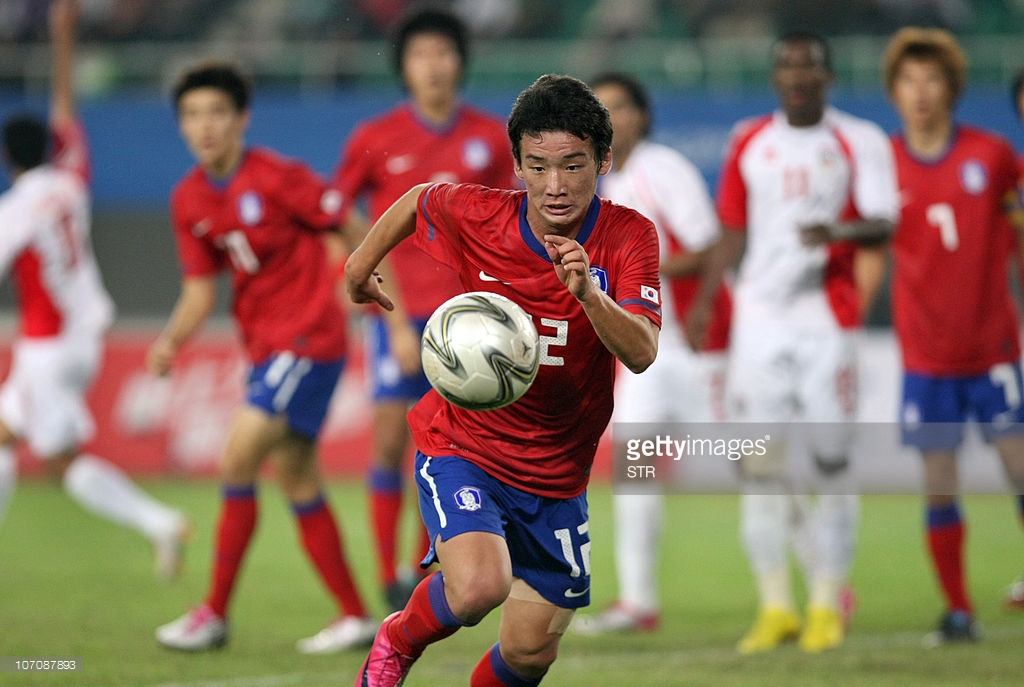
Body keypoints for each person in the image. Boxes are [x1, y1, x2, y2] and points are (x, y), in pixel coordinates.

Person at [345, 73, 661, 687]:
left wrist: (590, 296)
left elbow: (643, 351)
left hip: (558, 476)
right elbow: (419, 199)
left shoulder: (629, 235)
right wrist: (360, 266)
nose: (555, 185)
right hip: (466, 448)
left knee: (528, 653)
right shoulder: (483, 215)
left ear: (604, 161)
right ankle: (396, 642)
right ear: (516, 165)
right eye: (538, 167)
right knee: (476, 589)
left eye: (573, 165)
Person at [149, 60, 376, 654]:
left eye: (217, 113)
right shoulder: (188, 199)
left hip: (308, 340)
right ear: (180, 125)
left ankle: (213, 614)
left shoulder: (278, 177)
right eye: (192, 115)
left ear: (241, 119)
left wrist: (363, 284)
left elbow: (349, 223)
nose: (205, 126)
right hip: (265, 348)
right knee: (296, 474)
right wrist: (171, 341)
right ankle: (355, 616)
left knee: (237, 458)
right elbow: (199, 291)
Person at [686, 31, 899, 654]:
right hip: (759, 319)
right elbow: (731, 227)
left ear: (828, 76)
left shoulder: (859, 139)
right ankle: (776, 605)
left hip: (827, 319)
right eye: (787, 66)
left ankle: (827, 603)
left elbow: (886, 221)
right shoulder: (749, 139)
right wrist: (706, 301)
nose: (797, 76)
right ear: (776, 77)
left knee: (832, 462)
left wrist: (837, 231)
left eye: (809, 67)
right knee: (759, 465)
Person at [332, 7, 518, 613]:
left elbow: (510, 224)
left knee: (444, 449)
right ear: (403, 67)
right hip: (398, 314)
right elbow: (338, 214)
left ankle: (425, 568)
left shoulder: (490, 137)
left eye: (443, 52)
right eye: (420, 54)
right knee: (390, 440)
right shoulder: (376, 137)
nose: (433, 65)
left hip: (465, 323)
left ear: (460, 61)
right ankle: (386, 571)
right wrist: (385, 312)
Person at [0, 0, 190, 579]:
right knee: (4, 433)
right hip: (81, 339)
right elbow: (66, 109)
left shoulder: (16, 208)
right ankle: (160, 523)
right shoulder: (71, 180)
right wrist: (64, 39)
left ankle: (160, 521)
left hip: (48, 346)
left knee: (61, 462)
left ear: (7, 159)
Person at [571, 71, 731, 635]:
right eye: (599, 108)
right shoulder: (596, 185)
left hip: (698, 345)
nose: (610, 117)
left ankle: (826, 581)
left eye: (620, 106)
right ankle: (638, 601)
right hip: (647, 351)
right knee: (634, 468)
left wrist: (641, 271)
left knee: (758, 464)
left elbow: (709, 247)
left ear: (641, 115)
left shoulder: (663, 169)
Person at [882, 27, 1024, 644]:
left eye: (932, 79)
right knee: (939, 484)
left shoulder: (992, 156)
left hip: (994, 351)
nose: (921, 91)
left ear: (952, 88)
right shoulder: (881, 163)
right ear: (893, 90)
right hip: (926, 359)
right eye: (909, 79)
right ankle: (959, 612)